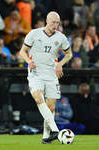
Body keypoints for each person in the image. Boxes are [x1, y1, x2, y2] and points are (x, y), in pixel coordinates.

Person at [19, 11, 72, 144]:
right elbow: (22, 51)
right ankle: (55, 130)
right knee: (38, 98)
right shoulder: (34, 33)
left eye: (57, 23)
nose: (55, 25)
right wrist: (28, 61)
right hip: (36, 73)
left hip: (51, 74)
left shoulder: (61, 37)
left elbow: (69, 54)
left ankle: (46, 137)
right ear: (47, 20)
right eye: (53, 22)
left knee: (51, 108)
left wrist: (60, 64)